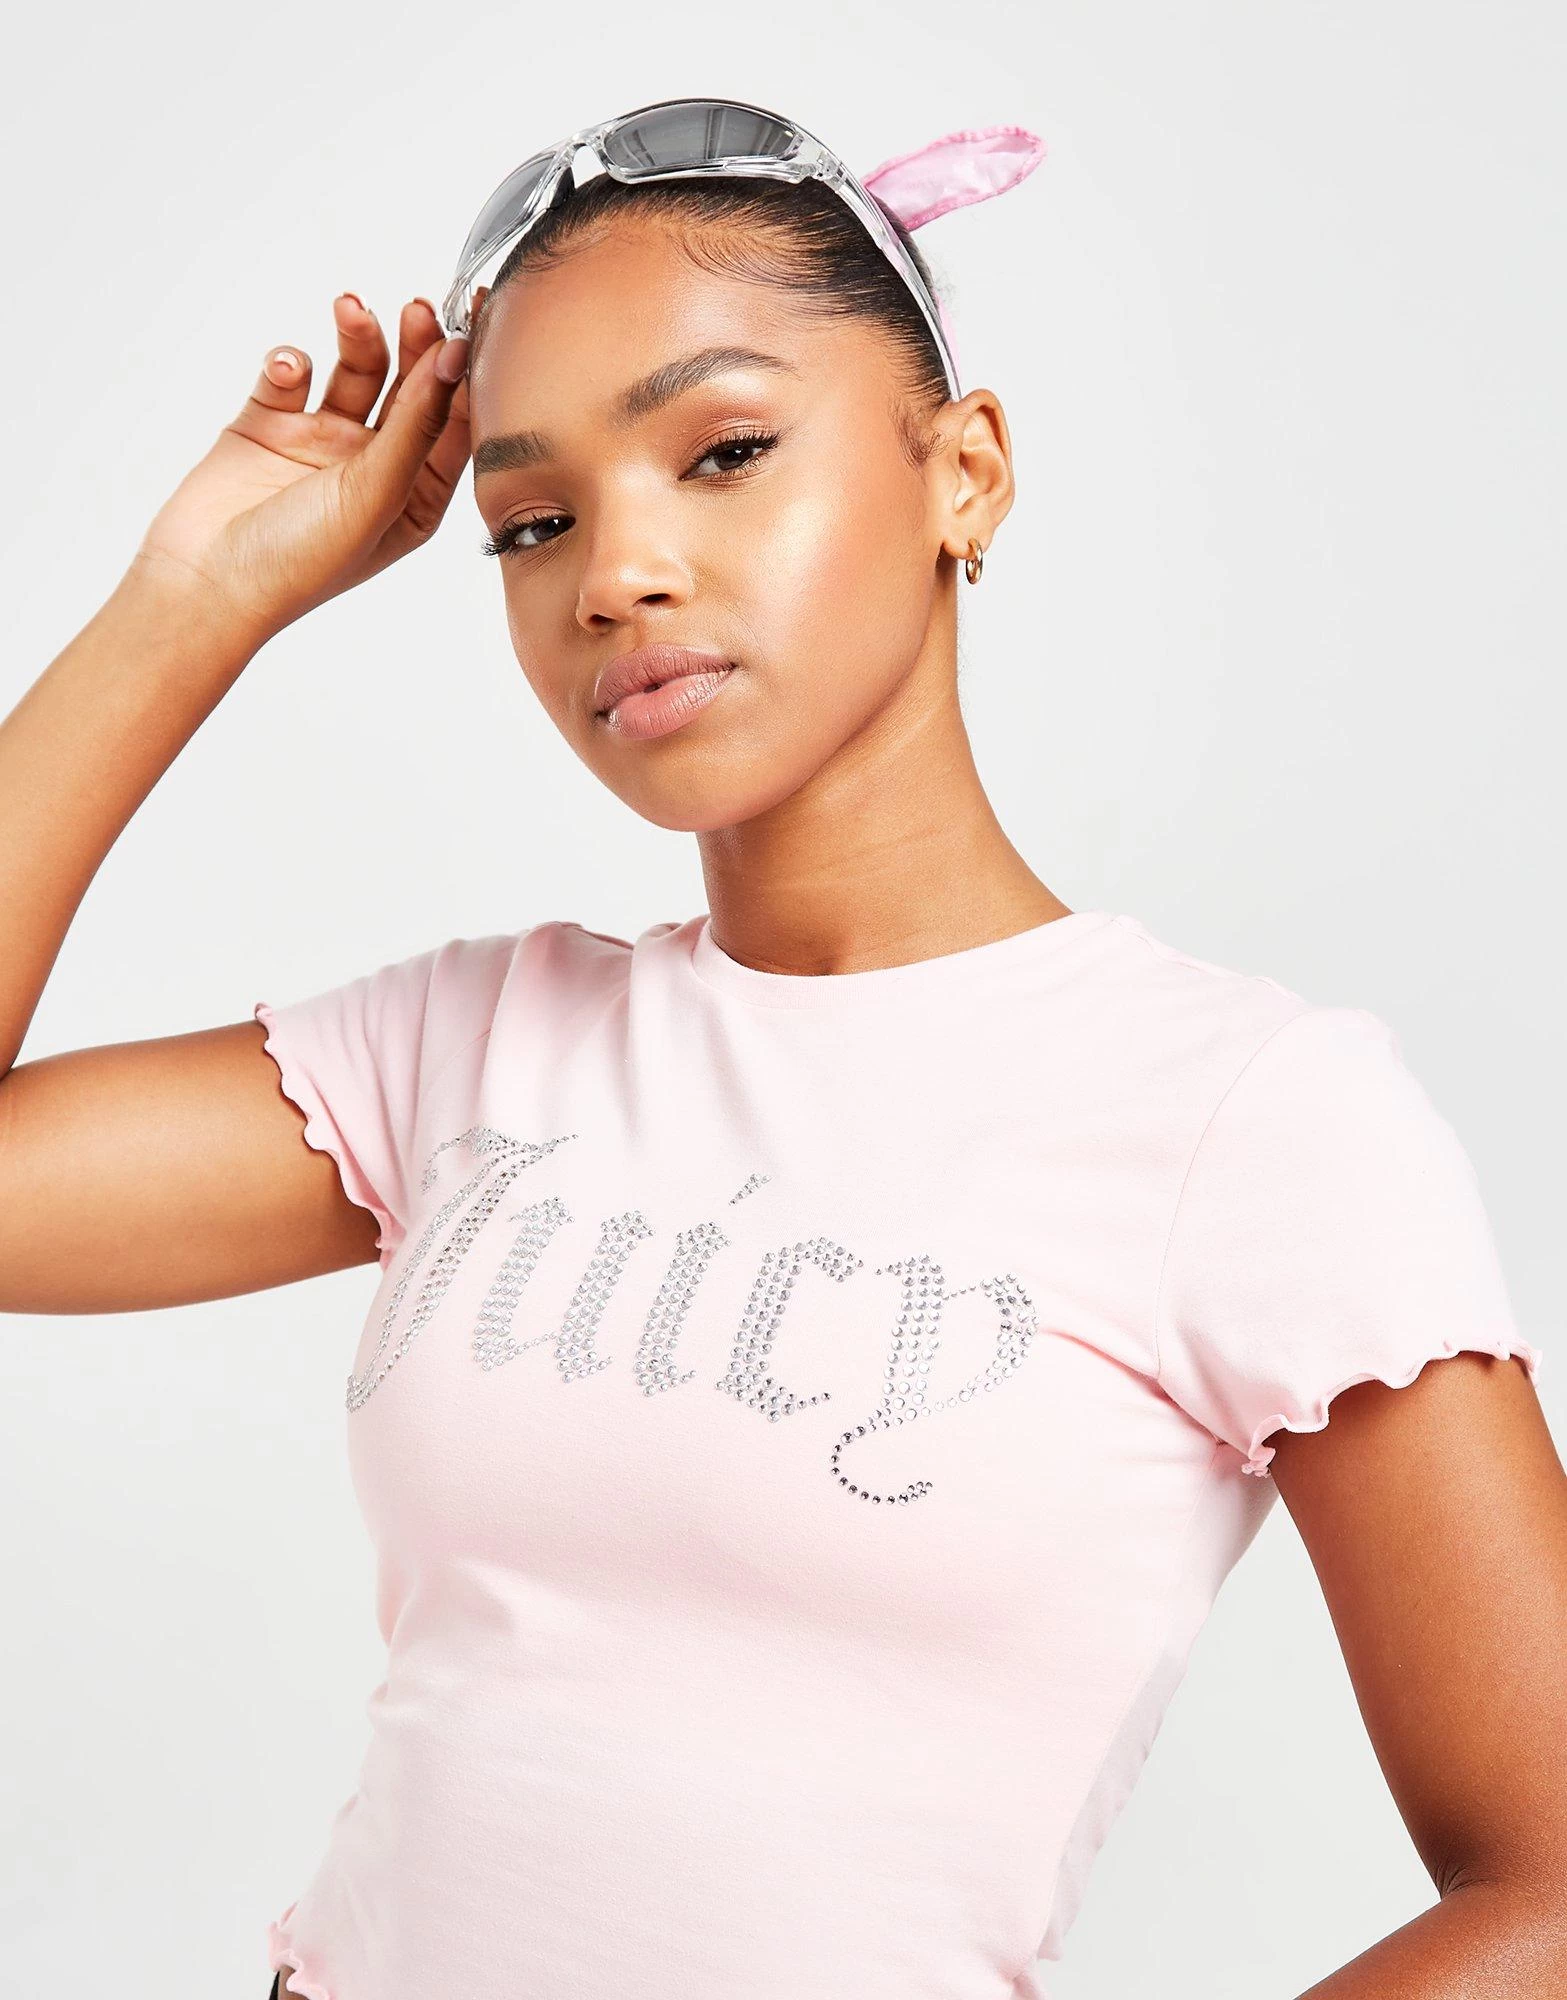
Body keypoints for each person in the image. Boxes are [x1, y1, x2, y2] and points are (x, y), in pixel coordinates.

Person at [2, 95, 1563, 2000]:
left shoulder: (1250, 1115)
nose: (615, 573)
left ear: (964, 473)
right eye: (533, 522)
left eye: (724, 451)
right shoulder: (470, 1045)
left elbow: (1548, 1884)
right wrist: (193, 600)